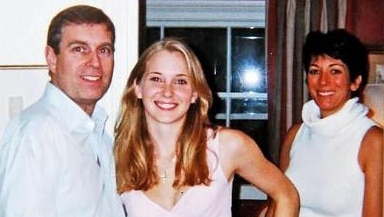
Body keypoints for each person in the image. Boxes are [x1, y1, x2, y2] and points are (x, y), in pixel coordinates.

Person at [114, 37, 299, 217]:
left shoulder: (227, 146)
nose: (167, 92)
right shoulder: (118, 155)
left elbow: (286, 195)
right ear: (137, 88)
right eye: (156, 79)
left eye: (180, 81)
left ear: (194, 93)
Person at [0, 5, 125, 217]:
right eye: (79, 49)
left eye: (104, 50)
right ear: (52, 58)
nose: (95, 63)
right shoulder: (37, 134)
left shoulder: (100, 137)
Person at [278, 29, 383, 216]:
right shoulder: (295, 134)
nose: (323, 82)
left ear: (355, 82)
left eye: (335, 71)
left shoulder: (373, 141)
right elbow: (277, 203)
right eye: (315, 71)